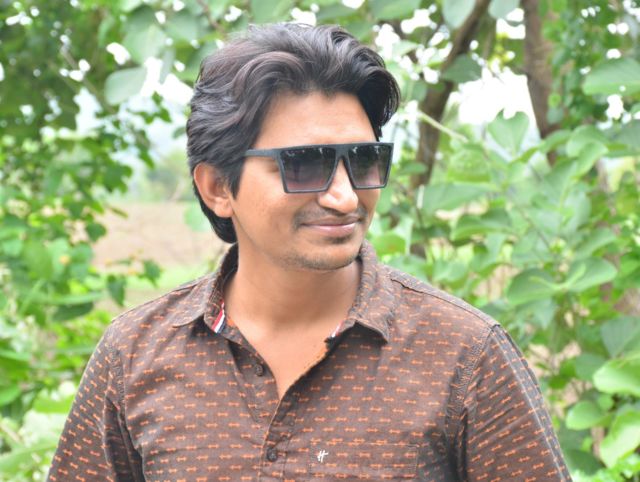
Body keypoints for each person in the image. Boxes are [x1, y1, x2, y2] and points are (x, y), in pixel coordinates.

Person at [48, 23, 571, 481]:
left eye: (363, 161)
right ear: (217, 188)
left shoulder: (465, 355)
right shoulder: (134, 355)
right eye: (303, 165)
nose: (345, 197)